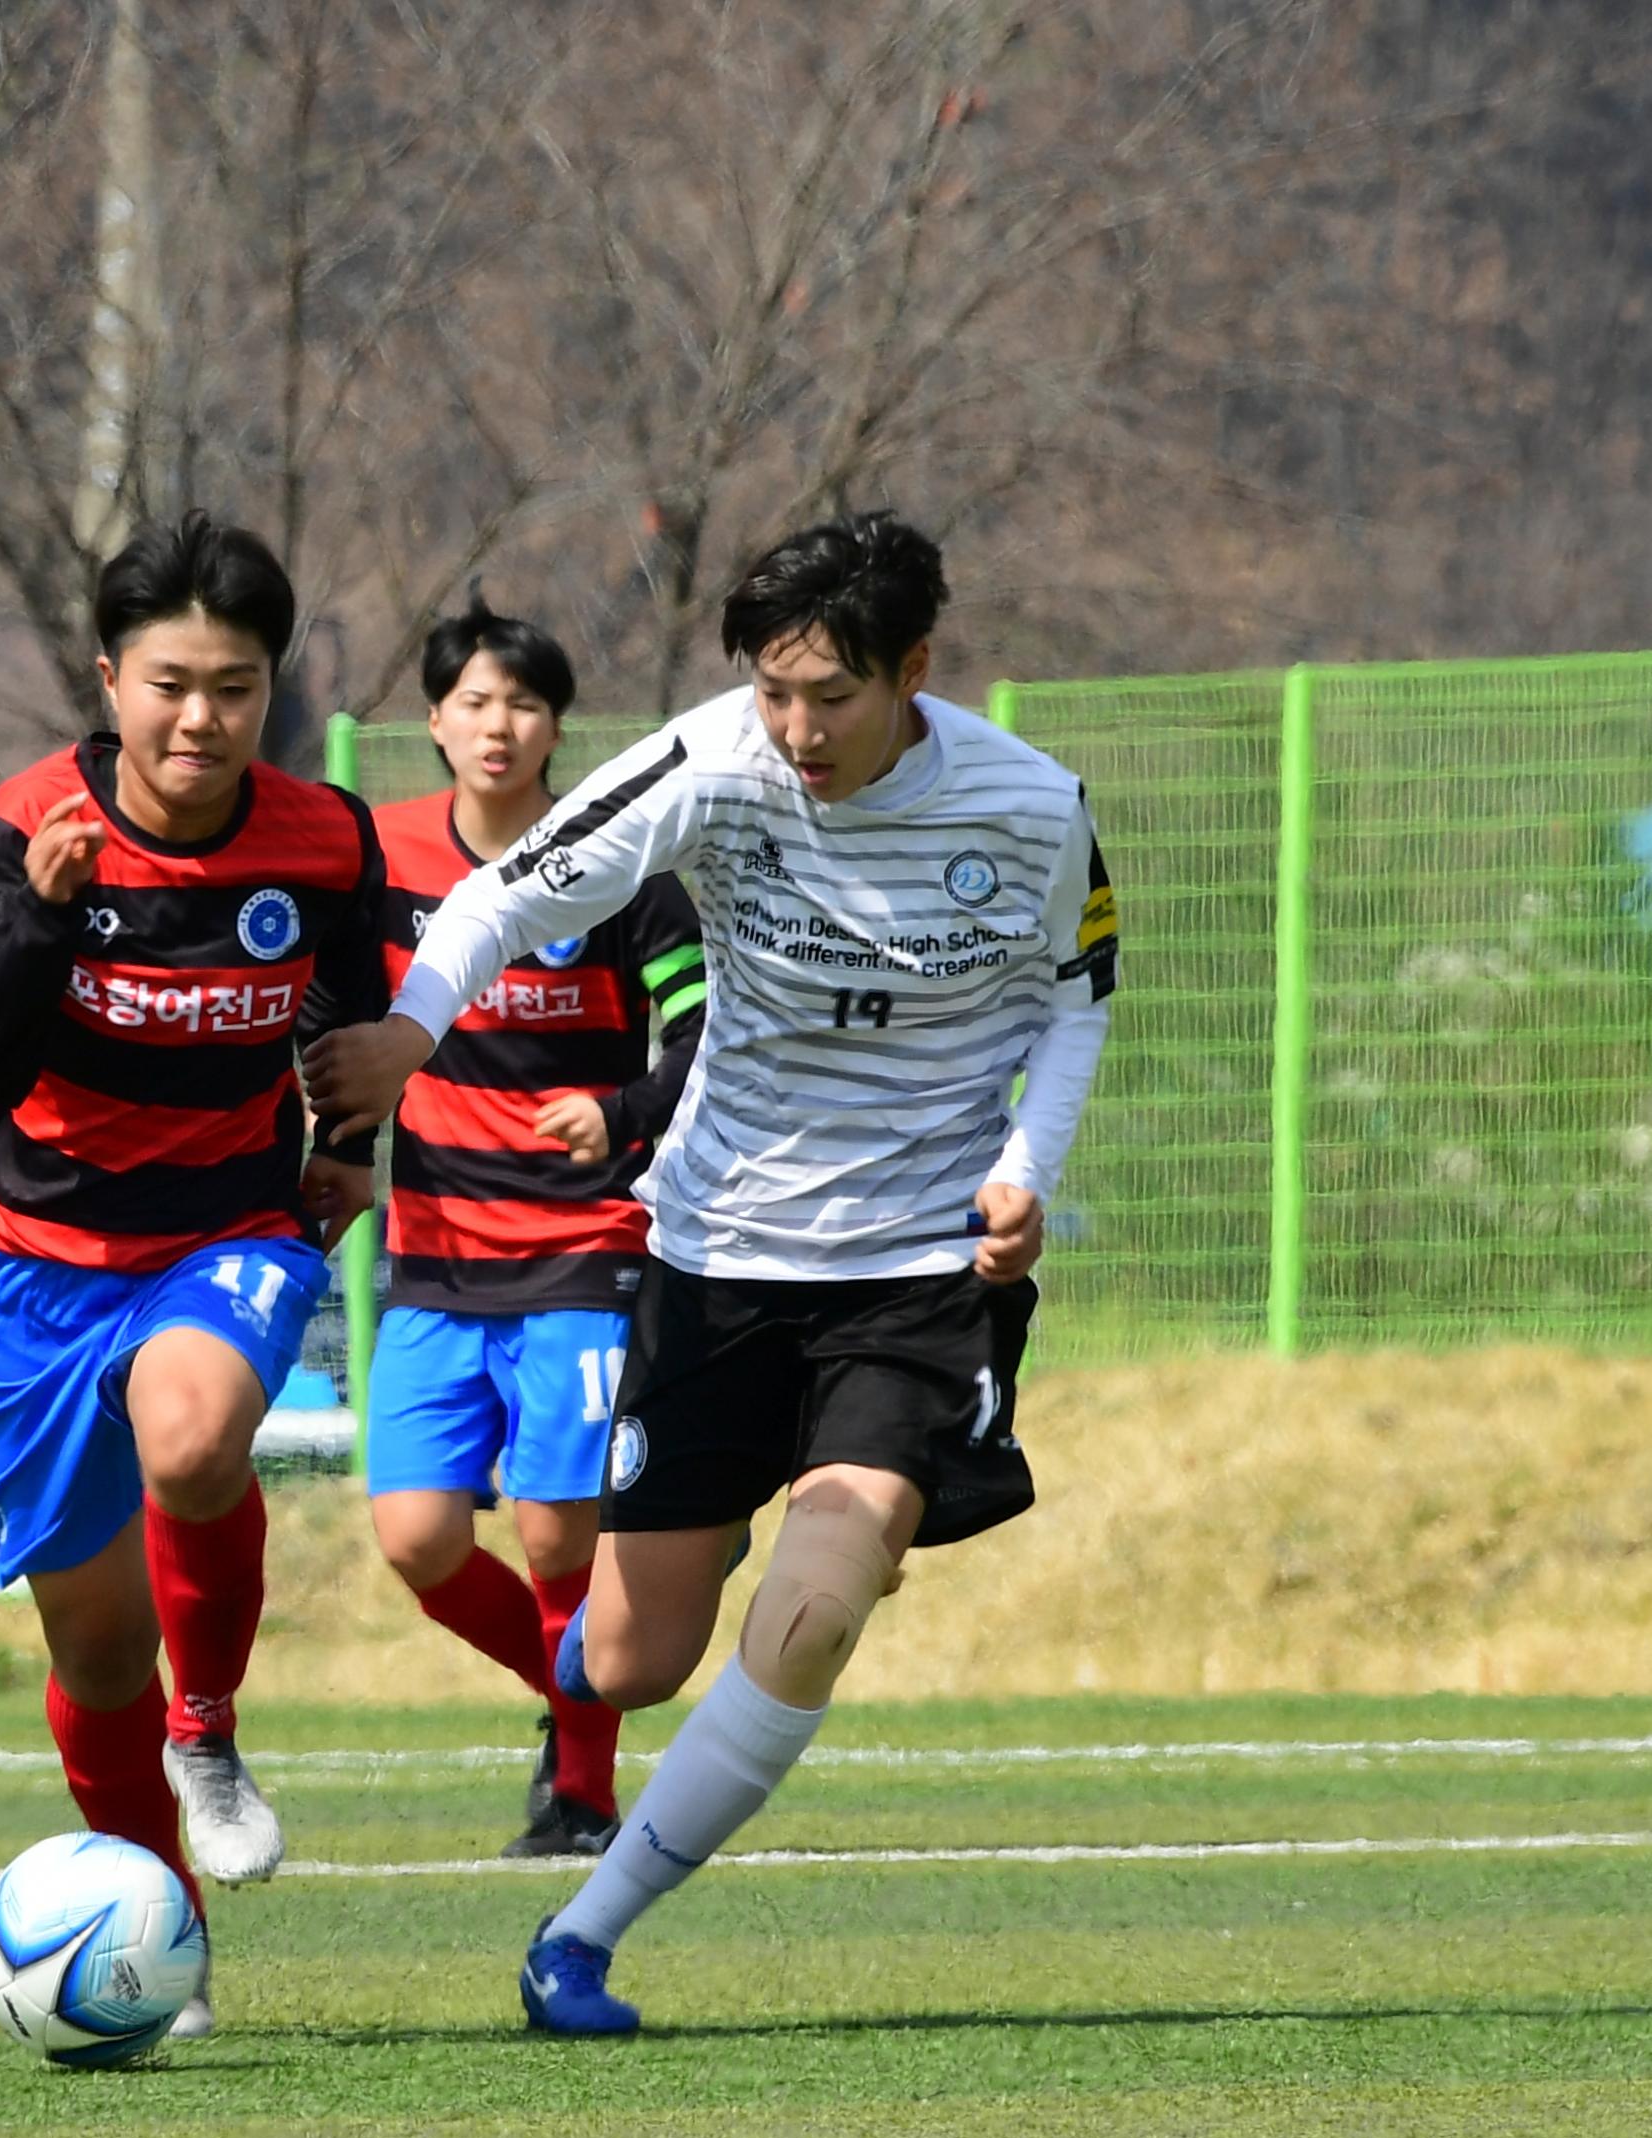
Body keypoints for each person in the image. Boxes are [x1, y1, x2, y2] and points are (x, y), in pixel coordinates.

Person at [305, 510, 1118, 2034]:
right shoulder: (710, 762)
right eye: (774, 691)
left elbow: (1077, 995)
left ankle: (582, 1939)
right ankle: (715, 1548)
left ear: (916, 674)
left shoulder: (1030, 804)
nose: (797, 730)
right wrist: (411, 1038)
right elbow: (502, 895)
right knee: (627, 1661)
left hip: (918, 1272)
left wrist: (1027, 1175)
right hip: (719, 1259)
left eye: (833, 696)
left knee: (821, 1601)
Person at [0, 510, 386, 2039]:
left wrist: (345, 1150)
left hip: (223, 1234)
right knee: (94, 1650)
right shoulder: (27, 824)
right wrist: (48, 917)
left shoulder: (324, 837)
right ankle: (147, 1929)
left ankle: (211, 1734)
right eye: (172, 682)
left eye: (236, 687)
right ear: (110, 677)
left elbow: (348, 1016)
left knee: (193, 1437)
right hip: (32, 1269)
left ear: (271, 691)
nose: (202, 718)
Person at [362, 602, 705, 1857]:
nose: (497, 726)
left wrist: (617, 1112)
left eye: (523, 703)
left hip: (586, 1245)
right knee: (417, 1534)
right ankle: (573, 1699)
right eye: (473, 702)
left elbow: (699, 1033)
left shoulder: (621, 861)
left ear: (559, 726)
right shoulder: (384, 862)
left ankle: (582, 1791)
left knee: (561, 1527)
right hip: (435, 1252)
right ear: (435, 721)